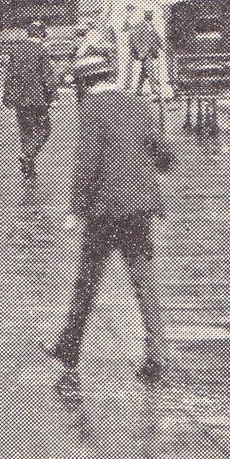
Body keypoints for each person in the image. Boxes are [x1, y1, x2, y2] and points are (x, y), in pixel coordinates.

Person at [45, 50, 176, 383]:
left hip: (105, 209)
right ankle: (156, 351)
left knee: (88, 278)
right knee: (145, 280)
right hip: (140, 207)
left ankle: (70, 344)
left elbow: (87, 161)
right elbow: (162, 153)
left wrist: (75, 208)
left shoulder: (92, 109)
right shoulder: (138, 104)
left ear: (84, 85)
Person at [3, 21, 59, 181]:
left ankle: (29, 169)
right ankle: (27, 155)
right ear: (41, 34)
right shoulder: (41, 51)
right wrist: (53, 96)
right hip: (37, 99)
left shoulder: (16, 50)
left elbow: (9, 75)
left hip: (20, 99)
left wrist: (7, 97)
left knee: (25, 132)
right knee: (44, 130)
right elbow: (47, 76)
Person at [127, 5, 164, 101]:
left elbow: (156, 37)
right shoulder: (141, 26)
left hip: (150, 52)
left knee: (144, 72)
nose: (150, 16)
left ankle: (138, 90)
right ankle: (154, 90)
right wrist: (138, 51)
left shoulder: (151, 26)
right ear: (145, 15)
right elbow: (134, 38)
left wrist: (162, 47)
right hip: (144, 53)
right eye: (148, 14)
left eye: (151, 14)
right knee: (150, 70)